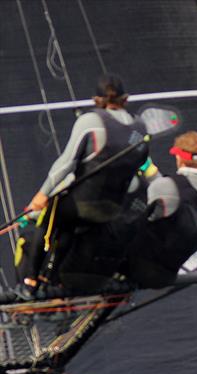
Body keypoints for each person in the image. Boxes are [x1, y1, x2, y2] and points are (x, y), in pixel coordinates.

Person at [15, 74, 149, 294]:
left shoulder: (90, 122)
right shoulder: (140, 128)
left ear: (96, 99)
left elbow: (66, 163)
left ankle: (29, 282)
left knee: (47, 222)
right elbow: (139, 163)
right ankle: (51, 279)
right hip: (111, 209)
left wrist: (42, 195)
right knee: (68, 228)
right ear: (125, 99)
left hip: (82, 202)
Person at [124, 131, 197, 288]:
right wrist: (150, 170)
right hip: (166, 274)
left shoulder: (166, 187)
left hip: (134, 267)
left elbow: (165, 196)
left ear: (179, 158)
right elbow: (177, 196)